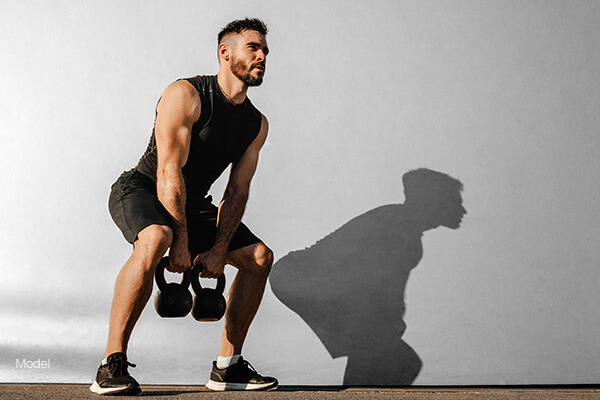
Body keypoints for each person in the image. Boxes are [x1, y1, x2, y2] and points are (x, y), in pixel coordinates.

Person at [90, 18, 278, 395]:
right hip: (142, 187)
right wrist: (181, 241)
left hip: (192, 202)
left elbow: (237, 191)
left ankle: (228, 367)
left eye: (265, 52)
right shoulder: (186, 94)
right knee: (156, 237)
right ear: (225, 52)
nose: (262, 56)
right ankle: (111, 365)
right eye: (253, 48)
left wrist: (219, 249)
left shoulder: (256, 124)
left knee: (259, 257)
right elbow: (167, 170)